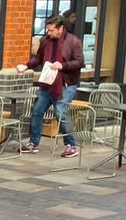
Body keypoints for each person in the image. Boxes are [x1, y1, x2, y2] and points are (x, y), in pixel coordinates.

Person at [22, 15, 84, 157]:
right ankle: (33, 143)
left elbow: (80, 62)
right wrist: (26, 66)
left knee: (60, 112)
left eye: (51, 30)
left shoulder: (73, 41)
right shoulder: (45, 40)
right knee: (37, 110)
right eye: (47, 30)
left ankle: (71, 145)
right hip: (47, 82)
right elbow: (38, 57)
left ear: (60, 28)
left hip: (65, 83)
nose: (48, 33)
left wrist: (62, 65)